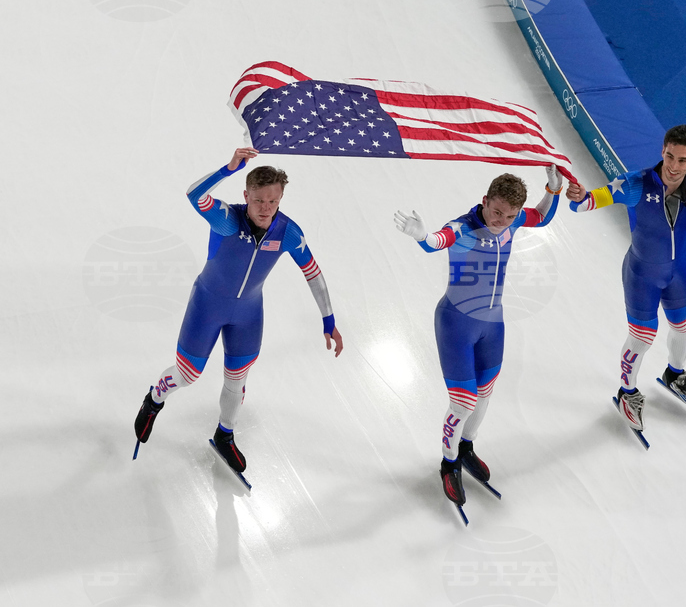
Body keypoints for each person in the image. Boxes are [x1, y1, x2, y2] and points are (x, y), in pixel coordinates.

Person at [134, 147, 344, 473]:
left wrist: (328, 319)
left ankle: (225, 434)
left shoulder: (287, 231)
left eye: (273, 202)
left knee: (237, 379)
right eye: (259, 200)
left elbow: (312, 272)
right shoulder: (227, 219)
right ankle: (154, 399)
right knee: (188, 375)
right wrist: (227, 168)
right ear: (246, 195)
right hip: (207, 305)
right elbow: (194, 194)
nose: (266, 209)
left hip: (247, 314)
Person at [565, 125, 686, 431]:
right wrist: (580, 196)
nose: (673, 166)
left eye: (682, 160)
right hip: (642, 275)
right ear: (662, 151)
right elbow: (588, 201)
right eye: (669, 156)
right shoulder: (636, 183)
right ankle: (627, 392)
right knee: (642, 338)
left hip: (678, 273)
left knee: (683, 329)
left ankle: (675, 375)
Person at [394, 164, 563, 506]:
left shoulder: (513, 221)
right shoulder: (463, 227)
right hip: (456, 324)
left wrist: (553, 190)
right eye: (496, 211)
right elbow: (436, 242)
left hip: (492, 325)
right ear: (484, 201)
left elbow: (542, 218)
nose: (501, 220)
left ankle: (466, 446)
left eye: (509, 215)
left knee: (484, 394)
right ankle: (448, 461)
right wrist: (420, 235)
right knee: (463, 401)